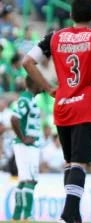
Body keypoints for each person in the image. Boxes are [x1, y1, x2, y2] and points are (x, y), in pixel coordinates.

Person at [22, 0, 91, 222]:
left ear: (71, 16)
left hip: (63, 105)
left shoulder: (54, 36)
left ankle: (73, 216)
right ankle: (68, 214)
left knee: (70, 163)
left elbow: (28, 62)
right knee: (79, 163)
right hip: (86, 106)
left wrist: (47, 87)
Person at [11, 76, 42, 221]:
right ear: (34, 83)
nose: (43, 83)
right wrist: (23, 138)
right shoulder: (26, 99)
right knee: (30, 180)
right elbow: (14, 118)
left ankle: (17, 216)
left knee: (25, 180)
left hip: (29, 145)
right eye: (40, 80)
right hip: (25, 145)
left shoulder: (31, 99)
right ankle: (27, 216)